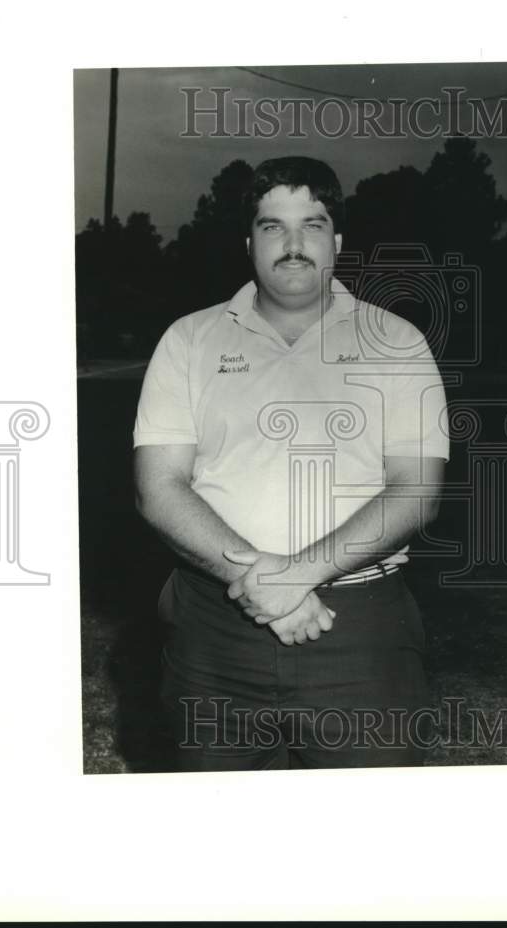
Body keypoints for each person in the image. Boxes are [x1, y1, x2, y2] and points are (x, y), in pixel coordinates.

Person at [133, 156, 449, 770]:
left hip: (360, 630)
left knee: (371, 841)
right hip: (214, 630)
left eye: (313, 223)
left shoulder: (398, 341)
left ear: (338, 240)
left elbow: (418, 491)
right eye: (274, 226)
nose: (294, 244)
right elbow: (158, 487)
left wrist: (292, 576)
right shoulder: (188, 339)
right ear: (249, 242)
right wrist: (267, 582)